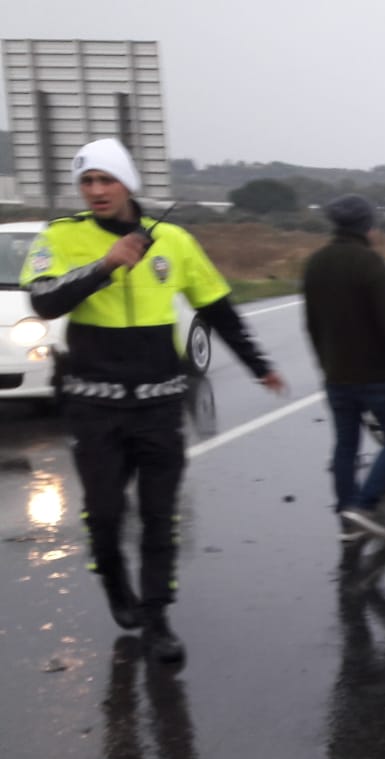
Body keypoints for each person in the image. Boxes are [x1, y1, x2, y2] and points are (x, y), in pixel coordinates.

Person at [22, 138, 285, 664]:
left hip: (160, 405)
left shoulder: (175, 242)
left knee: (161, 517)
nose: (95, 190)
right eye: (87, 181)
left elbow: (219, 309)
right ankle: (117, 586)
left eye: (106, 180)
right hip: (94, 407)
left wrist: (260, 367)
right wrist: (104, 265)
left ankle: (158, 619)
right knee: (104, 514)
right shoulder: (61, 236)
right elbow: (44, 301)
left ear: (128, 184)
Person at [301, 194, 385, 542]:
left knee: (346, 446)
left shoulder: (315, 264)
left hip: (337, 375)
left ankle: (347, 518)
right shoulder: (370, 264)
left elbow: (312, 324)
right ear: (367, 226)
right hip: (379, 374)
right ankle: (364, 506)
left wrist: (326, 364)